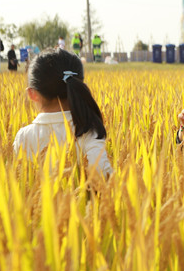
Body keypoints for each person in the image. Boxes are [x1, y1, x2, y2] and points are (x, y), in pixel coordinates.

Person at [13, 49, 113, 178]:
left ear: (32, 94)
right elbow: (105, 181)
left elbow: (18, 182)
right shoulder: (89, 132)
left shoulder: (23, 137)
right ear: (79, 86)